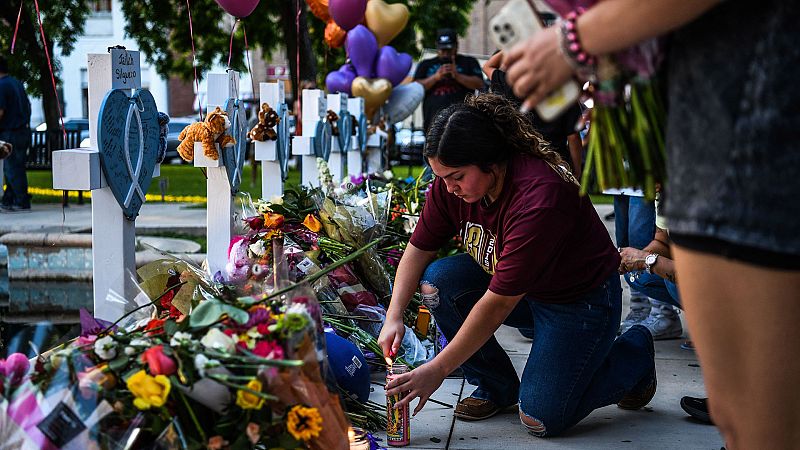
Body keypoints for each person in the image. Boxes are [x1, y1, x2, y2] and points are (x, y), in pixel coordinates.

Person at [502, 1, 800, 447]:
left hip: (758, 108)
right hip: (699, 125)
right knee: (734, 414)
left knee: (768, 423)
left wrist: (576, 39)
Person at [379, 93, 655, 437]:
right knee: (439, 282)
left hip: (579, 303)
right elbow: (418, 248)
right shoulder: (451, 187)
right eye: (442, 177)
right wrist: (393, 316)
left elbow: (497, 304)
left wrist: (437, 369)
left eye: (456, 176)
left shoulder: (538, 196)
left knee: (542, 417)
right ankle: (496, 387)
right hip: (527, 291)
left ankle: (635, 353)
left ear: (490, 162)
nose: (448, 187)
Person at [482, 51, 584, 179]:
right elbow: (573, 137)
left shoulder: (512, 86)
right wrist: (577, 170)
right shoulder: (566, 93)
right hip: (556, 161)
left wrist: (514, 45)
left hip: (521, 162)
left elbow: (487, 67)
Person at [413, 29, 484, 134]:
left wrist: (457, 75)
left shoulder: (469, 62)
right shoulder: (426, 64)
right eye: (442, 50)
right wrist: (436, 77)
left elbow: (479, 84)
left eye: (449, 50)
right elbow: (415, 88)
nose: (446, 54)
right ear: (437, 47)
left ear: (456, 47)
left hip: (463, 122)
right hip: (433, 123)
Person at [0, 55, 32, 212]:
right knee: (17, 166)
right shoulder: (17, 83)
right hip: (23, 130)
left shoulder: (1, 86)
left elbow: (0, 111)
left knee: (11, 168)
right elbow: (28, 105)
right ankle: (9, 198)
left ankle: (21, 200)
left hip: (10, 132)